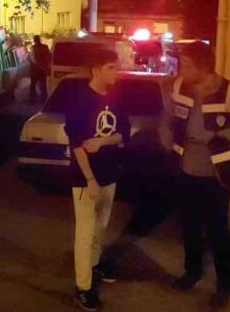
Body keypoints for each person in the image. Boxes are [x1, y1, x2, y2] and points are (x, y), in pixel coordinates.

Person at [160, 42, 230, 311]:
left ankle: (224, 286)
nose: (181, 71)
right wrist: (165, 135)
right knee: (189, 225)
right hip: (186, 167)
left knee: (217, 230)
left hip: (217, 173)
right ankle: (192, 272)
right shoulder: (179, 86)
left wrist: (219, 136)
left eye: (187, 66)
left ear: (204, 68)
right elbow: (168, 117)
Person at [64, 49, 130, 311]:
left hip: (109, 173)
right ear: (96, 70)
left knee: (100, 228)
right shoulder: (80, 100)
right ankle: (83, 288)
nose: (116, 72)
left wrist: (102, 141)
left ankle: (93, 266)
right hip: (86, 179)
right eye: (111, 67)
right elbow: (77, 143)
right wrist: (89, 178)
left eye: (116, 67)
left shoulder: (115, 97)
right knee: (85, 232)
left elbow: (124, 133)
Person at [29, 35, 52, 104]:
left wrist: (39, 66)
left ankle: (32, 100)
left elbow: (33, 60)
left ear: (34, 40)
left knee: (33, 86)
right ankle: (43, 101)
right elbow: (49, 57)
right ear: (39, 40)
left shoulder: (32, 48)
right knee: (43, 86)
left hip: (35, 70)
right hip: (43, 70)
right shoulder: (45, 47)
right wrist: (46, 68)